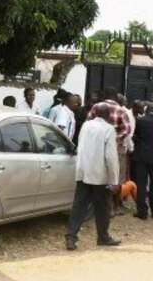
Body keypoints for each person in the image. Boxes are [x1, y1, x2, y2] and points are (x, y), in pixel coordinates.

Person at [65, 103, 121, 250]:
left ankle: (71, 237)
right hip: (100, 175)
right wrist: (114, 180)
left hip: (83, 172)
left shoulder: (86, 125)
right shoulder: (109, 129)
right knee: (102, 207)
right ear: (108, 115)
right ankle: (103, 237)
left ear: (94, 113)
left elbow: (80, 146)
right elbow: (110, 157)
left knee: (79, 206)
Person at [132, 102, 153, 220]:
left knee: (141, 184)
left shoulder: (141, 121)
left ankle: (142, 212)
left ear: (147, 110)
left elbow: (136, 135)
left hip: (142, 155)